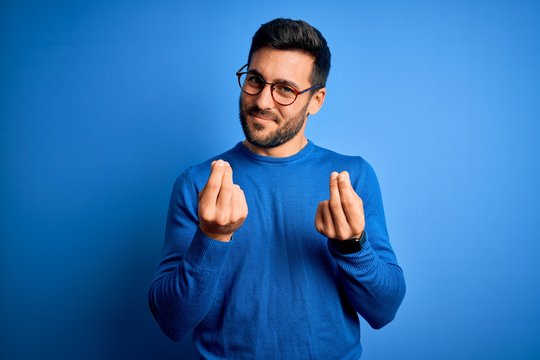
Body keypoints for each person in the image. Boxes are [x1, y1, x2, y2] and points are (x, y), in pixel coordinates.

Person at [149, 18, 406, 359]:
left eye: (285, 89)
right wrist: (210, 238)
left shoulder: (352, 178)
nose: (262, 101)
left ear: (316, 101)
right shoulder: (198, 182)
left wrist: (352, 248)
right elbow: (172, 321)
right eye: (255, 80)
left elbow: (384, 310)